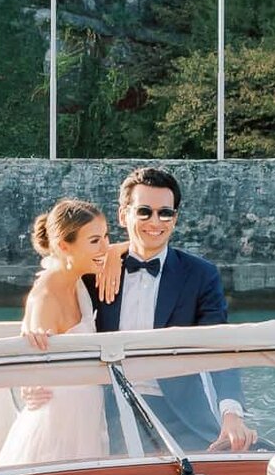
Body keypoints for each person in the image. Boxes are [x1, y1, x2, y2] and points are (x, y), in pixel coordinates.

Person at [94, 166, 255, 453]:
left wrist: (231, 412)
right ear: (123, 215)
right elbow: (58, 308)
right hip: (110, 409)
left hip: (181, 413)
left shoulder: (201, 274)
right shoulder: (96, 271)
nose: (155, 221)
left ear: (175, 219)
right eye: (144, 211)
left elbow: (220, 345)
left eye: (164, 213)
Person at [0, 199, 113, 468]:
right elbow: (32, 364)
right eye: (95, 240)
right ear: (63, 246)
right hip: (56, 425)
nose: (106, 247)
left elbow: (124, 250)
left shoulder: (78, 281)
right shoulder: (45, 297)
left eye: (106, 237)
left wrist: (111, 254)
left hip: (85, 419)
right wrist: (27, 380)